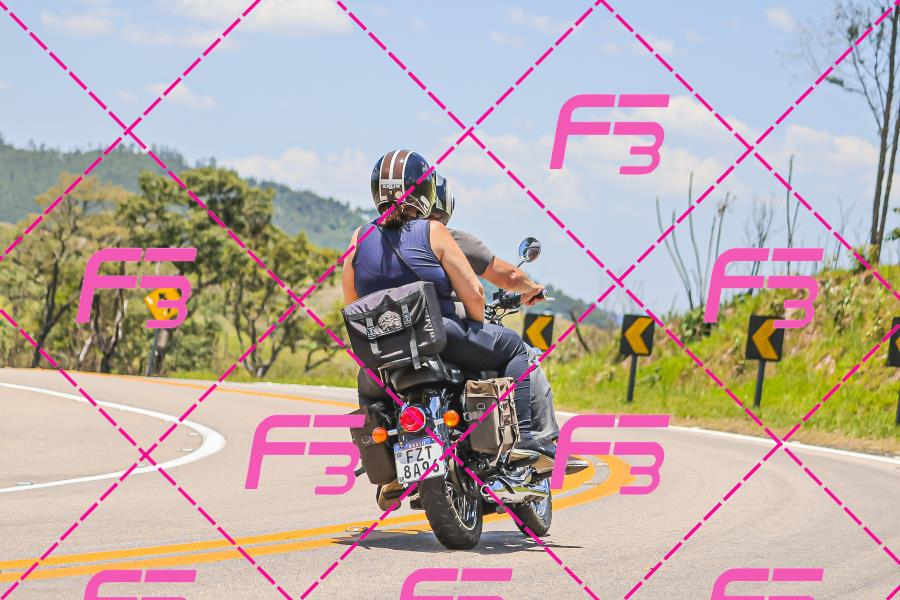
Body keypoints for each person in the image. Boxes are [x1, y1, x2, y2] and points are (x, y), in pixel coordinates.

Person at [343, 151, 555, 508]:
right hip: (440, 338)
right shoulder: (433, 231)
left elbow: (353, 305)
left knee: (368, 386)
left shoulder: (358, 239)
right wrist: (475, 326)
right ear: (425, 191)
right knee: (516, 349)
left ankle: (388, 470)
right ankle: (526, 444)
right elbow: (474, 292)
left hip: (384, 354)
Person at [432, 174, 560, 441]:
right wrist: (531, 289)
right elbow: (507, 277)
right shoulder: (448, 238)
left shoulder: (387, 241)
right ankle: (531, 437)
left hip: (402, 339)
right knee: (519, 350)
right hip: (447, 332)